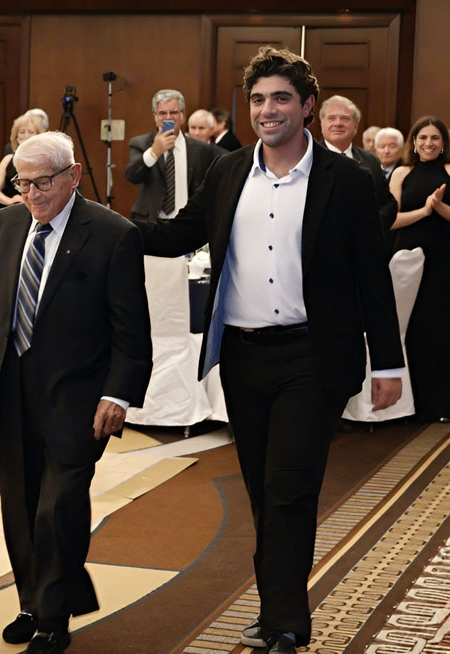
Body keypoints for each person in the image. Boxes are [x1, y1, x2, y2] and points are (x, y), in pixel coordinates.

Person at [132, 47, 403, 654]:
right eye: (257, 99)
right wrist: (100, 224)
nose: (267, 110)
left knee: (289, 489)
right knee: (260, 488)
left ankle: (285, 620)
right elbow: (178, 234)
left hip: (313, 357)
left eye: (281, 98)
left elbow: (371, 276)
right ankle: (274, 604)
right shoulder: (228, 171)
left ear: (307, 106)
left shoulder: (346, 182)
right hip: (244, 358)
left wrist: (388, 362)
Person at [0, 131, 152, 654]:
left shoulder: (113, 235)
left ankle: (54, 618)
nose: (32, 195)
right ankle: (32, 602)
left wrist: (118, 395)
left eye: (43, 183)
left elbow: (132, 331)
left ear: (73, 175)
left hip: (78, 399)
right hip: (9, 392)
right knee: (19, 508)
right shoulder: (3, 225)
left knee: (57, 508)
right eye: (23, 183)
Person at [389, 116, 450, 421]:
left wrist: (439, 208)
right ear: (414, 142)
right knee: (408, 329)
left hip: (441, 259)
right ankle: (409, 405)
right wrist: (424, 211)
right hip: (406, 258)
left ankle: (440, 404)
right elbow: (391, 219)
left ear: (443, 143)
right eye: (423, 137)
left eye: (435, 138)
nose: (428, 143)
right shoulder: (401, 173)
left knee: (434, 328)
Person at [125, 89, 226, 223]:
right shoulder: (140, 143)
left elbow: (226, 163)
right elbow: (132, 176)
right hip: (151, 222)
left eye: (173, 112)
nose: (168, 117)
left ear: (182, 117)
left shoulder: (201, 149)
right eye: (162, 113)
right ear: (155, 117)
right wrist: (154, 152)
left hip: (186, 223)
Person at [318, 95, 396, 237]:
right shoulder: (309, 159)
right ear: (322, 124)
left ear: (356, 126)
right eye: (331, 118)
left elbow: (388, 204)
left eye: (345, 118)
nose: (338, 123)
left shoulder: (371, 160)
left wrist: (370, 228)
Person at [0, 113, 45, 209]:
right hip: (9, 208)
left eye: (31, 132)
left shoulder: (44, 161)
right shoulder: (7, 159)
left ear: (38, 135)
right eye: (22, 132)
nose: (26, 136)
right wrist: (11, 201)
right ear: (16, 137)